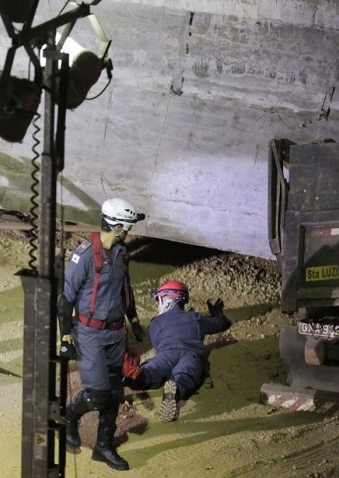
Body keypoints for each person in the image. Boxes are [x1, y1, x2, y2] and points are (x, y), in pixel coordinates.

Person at [58, 197, 145, 472]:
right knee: (98, 395)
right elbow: (65, 299)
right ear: (117, 226)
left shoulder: (121, 253)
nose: (129, 232)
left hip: (115, 334)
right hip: (89, 335)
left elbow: (125, 291)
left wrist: (134, 320)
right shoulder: (83, 256)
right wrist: (65, 336)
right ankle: (68, 417)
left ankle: (103, 447)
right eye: (127, 227)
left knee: (115, 392)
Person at [123, 280, 232, 422]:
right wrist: (217, 314)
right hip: (191, 355)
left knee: (152, 368)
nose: (158, 306)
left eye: (159, 301)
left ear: (167, 303)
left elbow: (157, 345)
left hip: (166, 354)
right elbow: (222, 324)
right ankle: (175, 390)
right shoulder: (196, 318)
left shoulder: (156, 322)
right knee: (185, 374)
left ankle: (133, 377)